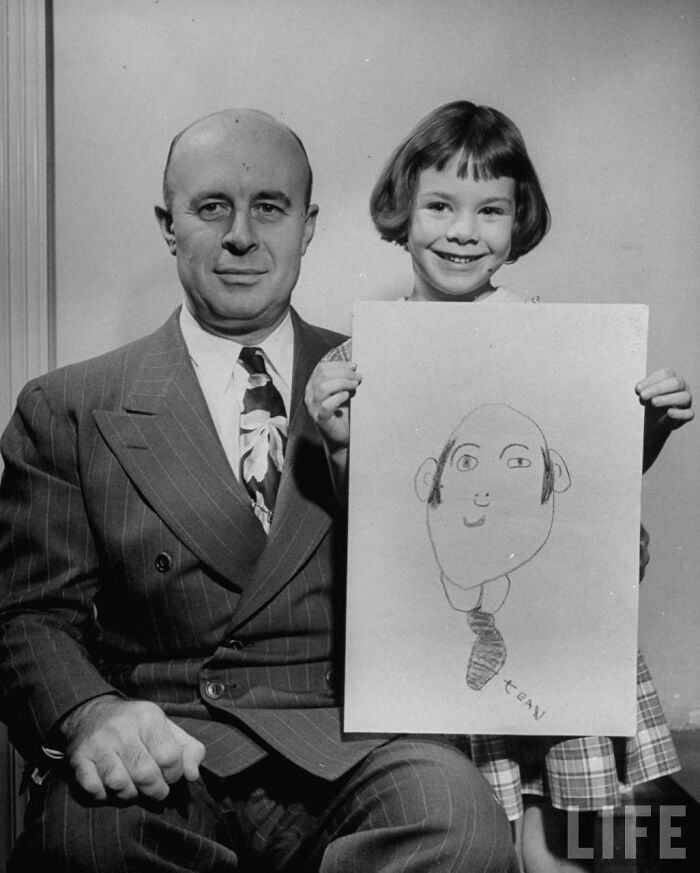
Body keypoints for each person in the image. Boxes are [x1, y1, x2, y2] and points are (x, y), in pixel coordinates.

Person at [0, 108, 518, 872]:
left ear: (307, 226)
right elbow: (30, 614)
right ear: (169, 224)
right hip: (169, 746)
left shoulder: (401, 374)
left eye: (269, 207)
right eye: (212, 207)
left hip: (350, 745)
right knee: (86, 841)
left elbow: (485, 549)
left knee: (458, 818)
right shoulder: (69, 406)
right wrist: (91, 713)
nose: (241, 235)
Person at [304, 100, 694, 872]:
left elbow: (592, 488)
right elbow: (372, 524)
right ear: (402, 211)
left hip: (552, 630)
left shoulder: (555, 338)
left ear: (519, 222)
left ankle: (568, 848)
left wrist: (649, 427)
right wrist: (341, 441)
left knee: (562, 839)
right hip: (440, 638)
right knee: (474, 824)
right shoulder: (363, 360)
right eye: (440, 206)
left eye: (490, 210)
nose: (463, 231)